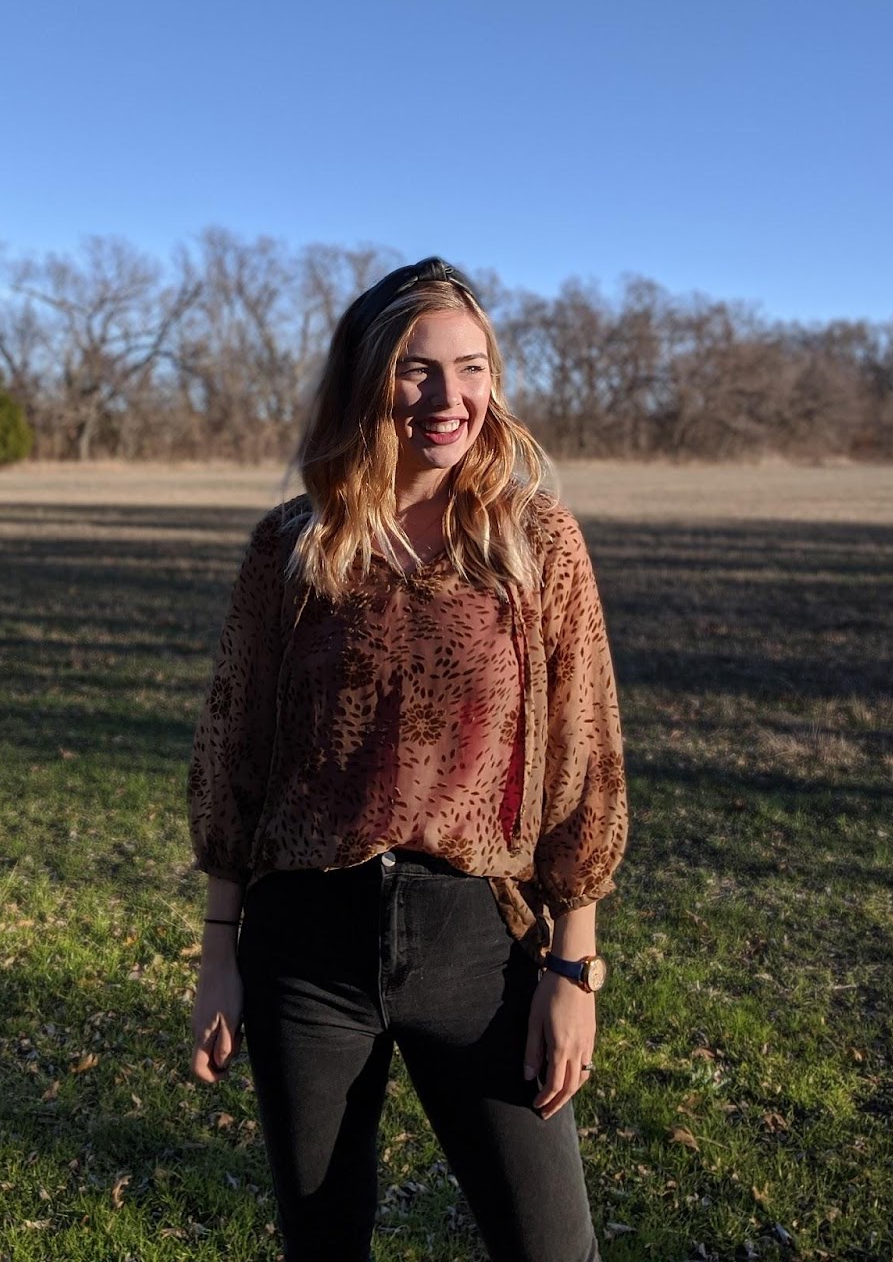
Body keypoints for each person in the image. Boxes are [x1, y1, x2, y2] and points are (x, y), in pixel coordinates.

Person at [186, 257, 627, 1262]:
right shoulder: (290, 549)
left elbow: (586, 759)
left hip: (479, 945)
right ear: (366, 377)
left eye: (471, 368)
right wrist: (218, 960)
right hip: (305, 948)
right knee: (324, 1242)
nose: (448, 397)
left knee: (553, 1248)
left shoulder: (538, 542)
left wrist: (574, 968)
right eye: (416, 368)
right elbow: (232, 754)